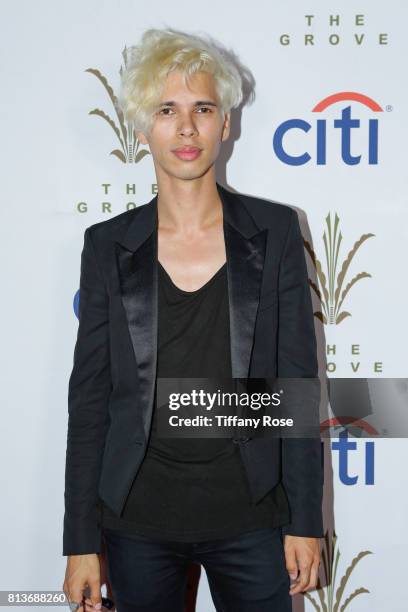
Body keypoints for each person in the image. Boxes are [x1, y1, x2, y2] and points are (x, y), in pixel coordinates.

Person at [62, 27, 323, 612]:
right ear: (141, 127)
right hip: (137, 521)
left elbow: (296, 387)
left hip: (254, 516)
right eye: (166, 110)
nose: (186, 128)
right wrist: (80, 542)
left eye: (203, 108)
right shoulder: (107, 246)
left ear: (225, 122)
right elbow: (90, 401)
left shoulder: (274, 232)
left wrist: (305, 521)